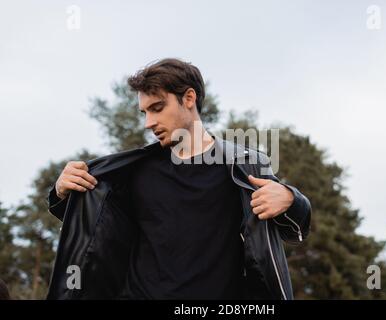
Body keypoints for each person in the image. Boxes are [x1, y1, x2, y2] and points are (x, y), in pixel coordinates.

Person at [46, 58, 312, 300]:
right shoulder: (133, 171)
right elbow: (96, 224)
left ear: (188, 98)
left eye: (158, 108)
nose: (149, 122)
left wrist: (290, 198)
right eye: (145, 112)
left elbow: (295, 231)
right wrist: (61, 192)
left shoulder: (243, 165)